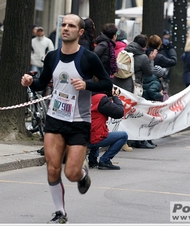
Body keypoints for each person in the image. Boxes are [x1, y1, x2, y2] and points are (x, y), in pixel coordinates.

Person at [21, 13, 113, 223]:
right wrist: (29, 82)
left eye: (71, 26)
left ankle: (82, 175)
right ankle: (60, 212)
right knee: (52, 168)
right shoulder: (52, 57)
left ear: (80, 32)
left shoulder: (89, 58)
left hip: (80, 121)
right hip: (55, 119)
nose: (66, 28)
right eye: (63, 24)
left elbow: (107, 85)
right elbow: (41, 83)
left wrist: (87, 85)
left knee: (70, 173)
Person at [87, 86, 128, 170]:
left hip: (81, 136)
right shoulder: (100, 99)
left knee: (97, 129)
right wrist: (115, 97)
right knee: (123, 135)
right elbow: (119, 112)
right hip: (94, 138)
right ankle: (105, 160)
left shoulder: (85, 96)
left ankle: (92, 161)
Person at [156, 31, 177, 95]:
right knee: (164, 80)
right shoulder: (166, 43)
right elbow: (174, 61)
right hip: (165, 63)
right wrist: (171, 49)